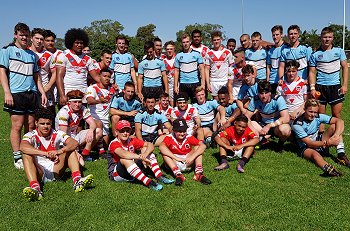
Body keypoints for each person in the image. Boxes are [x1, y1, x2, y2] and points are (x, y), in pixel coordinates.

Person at [0, 22, 47, 169]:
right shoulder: (7, 50)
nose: (24, 38)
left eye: (27, 36)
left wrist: (43, 92)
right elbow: (2, 72)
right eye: (22, 35)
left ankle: (28, 152)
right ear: (15, 35)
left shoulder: (32, 55)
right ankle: (17, 156)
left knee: (31, 125)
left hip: (32, 94)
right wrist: (7, 92)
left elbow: (37, 77)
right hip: (16, 94)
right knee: (17, 125)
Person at [20, 108, 94, 201]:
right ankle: (36, 189)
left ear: (51, 123)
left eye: (48, 123)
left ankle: (77, 181)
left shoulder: (58, 133)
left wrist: (59, 151)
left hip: (56, 169)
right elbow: (23, 147)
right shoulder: (30, 135)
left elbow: (74, 143)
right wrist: (45, 154)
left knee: (70, 149)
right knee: (26, 154)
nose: (45, 126)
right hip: (39, 171)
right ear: (36, 123)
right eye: (42, 123)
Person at [107, 120, 173, 191]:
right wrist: (141, 157)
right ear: (116, 132)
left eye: (127, 131)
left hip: (132, 169)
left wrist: (145, 154)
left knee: (145, 149)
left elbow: (150, 144)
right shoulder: (113, 143)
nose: (125, 133)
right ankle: (149, 182)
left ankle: (159, 176)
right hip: (117, 174)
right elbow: (123, 154)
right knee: (125, 159)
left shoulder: (131, 140)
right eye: (122, 131)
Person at [292, 99, 350, 176]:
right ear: (304, 110)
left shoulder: (318, 116)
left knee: (334, 127)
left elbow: (340, 121)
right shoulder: (297, 124)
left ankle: (341, 155)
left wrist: (335, 136)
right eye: (310, 112)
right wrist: (328, 143)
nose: (313, 114)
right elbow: (310, 143)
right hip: (306, 147)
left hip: (318, 141)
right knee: (315, 154)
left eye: (315, 112)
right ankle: (328, 169)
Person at [309, 26, 348, 124]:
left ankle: (338, 137)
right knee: (320, 115)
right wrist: (312, 88)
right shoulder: (315, 54)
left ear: (333, 38)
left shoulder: (339, 51)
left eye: (329, 37)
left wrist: (345, 85)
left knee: (336, 114)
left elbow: (345, 67)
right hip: (320, 87)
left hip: (335, 87)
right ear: (321, 38)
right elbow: (312, 72)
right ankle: (320, 136)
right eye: (325, 37)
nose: (327, 39)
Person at [159, 118, 212, 186]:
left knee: (198, 148)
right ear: (174, 130)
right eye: (179, 131)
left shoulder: (188, 137)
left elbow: (203, 146)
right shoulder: (169, 137)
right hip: (174, 162)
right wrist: (176, 158)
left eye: (184, 131)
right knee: (165, 153)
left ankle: (198, 174)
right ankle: (178, 174)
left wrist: (192, 157)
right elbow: (161, 147)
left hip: (188, 161)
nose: (182, 133)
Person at [56, 90, 103, 163]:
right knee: (81, 163)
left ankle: (85, 154)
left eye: (79, 102)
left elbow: (92, 123)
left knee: (98, 131)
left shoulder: (83, 108)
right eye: (75, 102)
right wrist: (72, 147)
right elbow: (63, 135)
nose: (77, 104)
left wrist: (91, 131)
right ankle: (77, 154)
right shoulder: (64, 112)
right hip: (63, 141)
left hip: (75, 136)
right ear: (69, 102)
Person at [55, 28, 99, 106]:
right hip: (68, 93)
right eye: (77, 43)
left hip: (83, 94)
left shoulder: (88, 59)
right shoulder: (63, 55)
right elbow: (59, 77)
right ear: (71, 42)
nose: (79, 45)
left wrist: (110, 83)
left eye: (81, 43)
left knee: (82, 118)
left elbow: (96, 77)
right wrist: (62, 95)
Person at [245, 81, 291, 151]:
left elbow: (286, 118)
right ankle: (261, 139)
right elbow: (245, 117)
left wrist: (269, 125)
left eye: (266, 93)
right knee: (249, 123)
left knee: (285, 129)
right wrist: (254, 130)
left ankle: (280, 144)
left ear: (270, 92)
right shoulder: (255, 99)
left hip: (276, 126)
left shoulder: (278, 99)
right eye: (261, 93)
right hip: (263, 125)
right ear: (258, 93)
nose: (264, 96)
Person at [86, 68, 116, 151]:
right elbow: (89, 101)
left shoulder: (112, 89)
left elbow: (124, 93)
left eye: (109, 77)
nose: (107, 78)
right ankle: (86, 151)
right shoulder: (92, 88)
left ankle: (99, 148)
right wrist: (99, 101)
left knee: (106, 146)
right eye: (104, 76)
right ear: (99, 76)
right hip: (94, 118)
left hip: (106, 121)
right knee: (99, 124)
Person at [30, 28, 56, 114]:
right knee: (31, 119)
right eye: (37, 38)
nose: (39, 41)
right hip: (30, 89)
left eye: (41, 39)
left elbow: (55, 73)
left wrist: (48, 87)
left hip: (45, 89)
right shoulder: (26, 52)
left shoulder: (49, 55)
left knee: (47, 116)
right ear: (31, 38)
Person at [174, 34, 205, 103]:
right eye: (184, 42)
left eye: (187, 42)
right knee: (183, 104)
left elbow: (202, 69)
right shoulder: (178, 56)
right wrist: (175, 86)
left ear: (190, 42)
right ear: (181, 43)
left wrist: (203, 84)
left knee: (196, 103)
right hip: (183, 83)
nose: (185, 44)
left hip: (195, 83)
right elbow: (176, 71)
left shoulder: (197, 54)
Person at [205, 31, 234, 99]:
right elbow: (206, 69)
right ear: (212, 41)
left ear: (221, 40)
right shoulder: (209, 53)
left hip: (225, 81)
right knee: (216, 103)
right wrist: (208, 83)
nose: (216, 41)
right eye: (214, 40)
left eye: (218, 39)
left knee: (226, 102)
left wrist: (230, 81)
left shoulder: (227, 52)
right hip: (214, 81)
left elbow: (232, 67)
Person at [267, 25, 286, 94]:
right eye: (273, 35)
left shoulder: (286, 48)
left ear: (282, 35)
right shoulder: (270, 51)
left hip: (283, 81)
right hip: (272, 81)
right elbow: (268, 67)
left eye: (277, 34)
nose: (275, 37)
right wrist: (267, 80)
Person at [163, 41, 176, 106]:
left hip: (179, 83)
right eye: (168, 49)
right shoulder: (163, 61)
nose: (169, 51)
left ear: (174, 49)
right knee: (171, 103)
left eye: (171, 49)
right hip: (169, 85)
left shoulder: (178, 58)